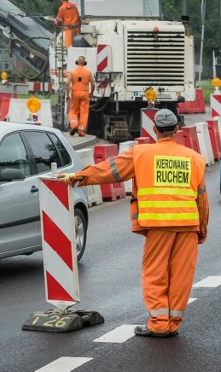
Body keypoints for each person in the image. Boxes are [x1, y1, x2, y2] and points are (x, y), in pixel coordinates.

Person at [60, 108, 209, 338]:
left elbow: (109, 170)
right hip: (188, 224)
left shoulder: (141, 154)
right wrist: (202, 229)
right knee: (181, 276)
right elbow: (202, 198)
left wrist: (80, 176)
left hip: (158, 224)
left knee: (155, 274)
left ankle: (159, 323)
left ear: (156, 129)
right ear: (177, 129)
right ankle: (172, 323)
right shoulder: (195, 158)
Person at [66, 56, 95, 137]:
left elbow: (67, 83)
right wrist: (91, 93)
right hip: (85, 93)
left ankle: (74, 126)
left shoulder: (72, 72)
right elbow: (93, 84)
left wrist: (67, 95)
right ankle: (81, 131)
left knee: (73, 110)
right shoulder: (88, 72)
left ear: (77, 62)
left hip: (75, 93)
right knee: (84, 112)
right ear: (84, 62)